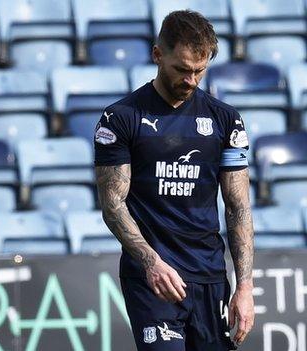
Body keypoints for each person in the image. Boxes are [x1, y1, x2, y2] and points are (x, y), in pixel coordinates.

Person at [94, 10, 254, 351]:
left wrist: (244, 287)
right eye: (181, 69)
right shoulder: (121, 119)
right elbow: (112, 205)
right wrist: (152, 262)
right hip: (153, 280)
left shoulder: (226, 120)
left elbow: (238, 208)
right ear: (157, 55)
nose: (191, 79)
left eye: (199, 70)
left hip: (210, 277)